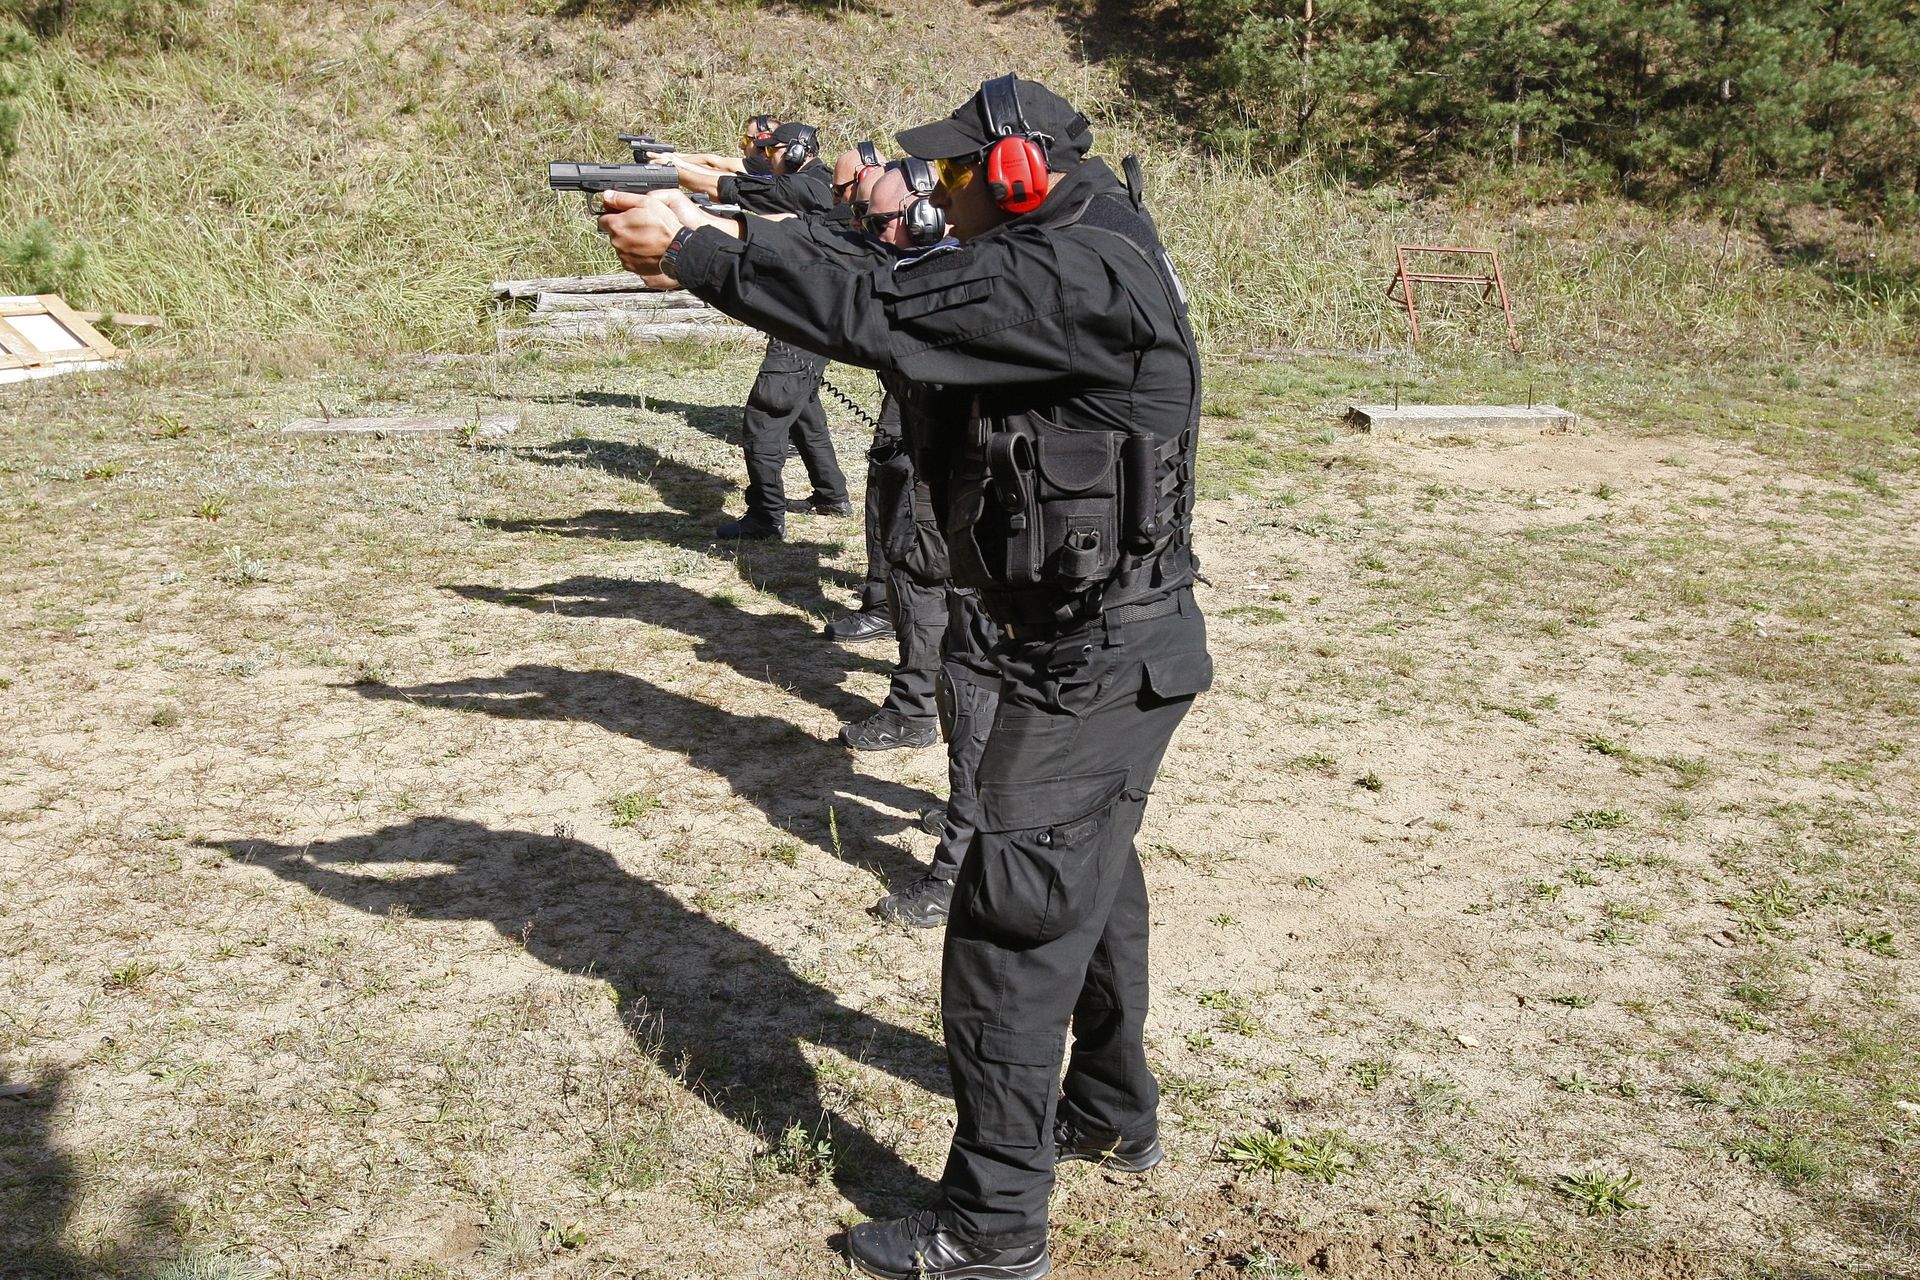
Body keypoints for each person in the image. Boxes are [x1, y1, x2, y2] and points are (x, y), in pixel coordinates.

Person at [599, 75, 1210, 1280]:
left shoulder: (1067, 273)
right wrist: (734, 226)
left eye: (959, 170)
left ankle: (990, 1227)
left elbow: (886, 302)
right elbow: (880, 264)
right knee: (1087, 884)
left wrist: (707, 258)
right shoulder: (1086, 239)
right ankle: (1111, 1107)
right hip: (1100, 643)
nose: (938, 185)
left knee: (1011, 920)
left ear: (1020, 170)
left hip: (1089, 654)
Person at [678, 121, 848, 539]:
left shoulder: (809, 186)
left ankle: (765, 516)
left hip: (804, 320)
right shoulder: (806, 183)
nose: (765, 157)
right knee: (803, 407)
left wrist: (673, 174)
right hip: (804, 318)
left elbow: (750, 193)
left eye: (772, 150)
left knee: (764, 416)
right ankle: (831, 493)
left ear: (795, 151)